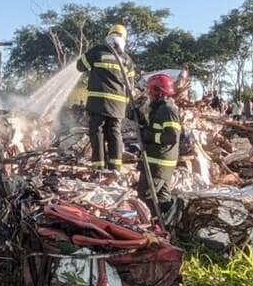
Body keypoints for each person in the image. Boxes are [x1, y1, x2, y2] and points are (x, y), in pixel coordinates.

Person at [78, 24, 136, 171]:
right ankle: (115, 167)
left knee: (97, 130)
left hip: (99, 101)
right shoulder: (127, 60)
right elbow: (131, 85)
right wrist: (126, 105)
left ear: (109, 35)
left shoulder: (98, 51)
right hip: (118, 105)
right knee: (114, 132)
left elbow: (80, 66)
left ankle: (99, 166)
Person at [138, 73, 190, 204]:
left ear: (159, 93)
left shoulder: (167, 110)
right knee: (162, 201)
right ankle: (165, 224)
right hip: (160, 164)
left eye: (150, 91)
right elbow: (154, 128)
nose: (148, 94)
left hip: (158, 164)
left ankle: (151, 224)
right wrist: (141, 119)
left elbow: (171, 137)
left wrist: (150, 136)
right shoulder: (159, 109)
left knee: (146, 199)